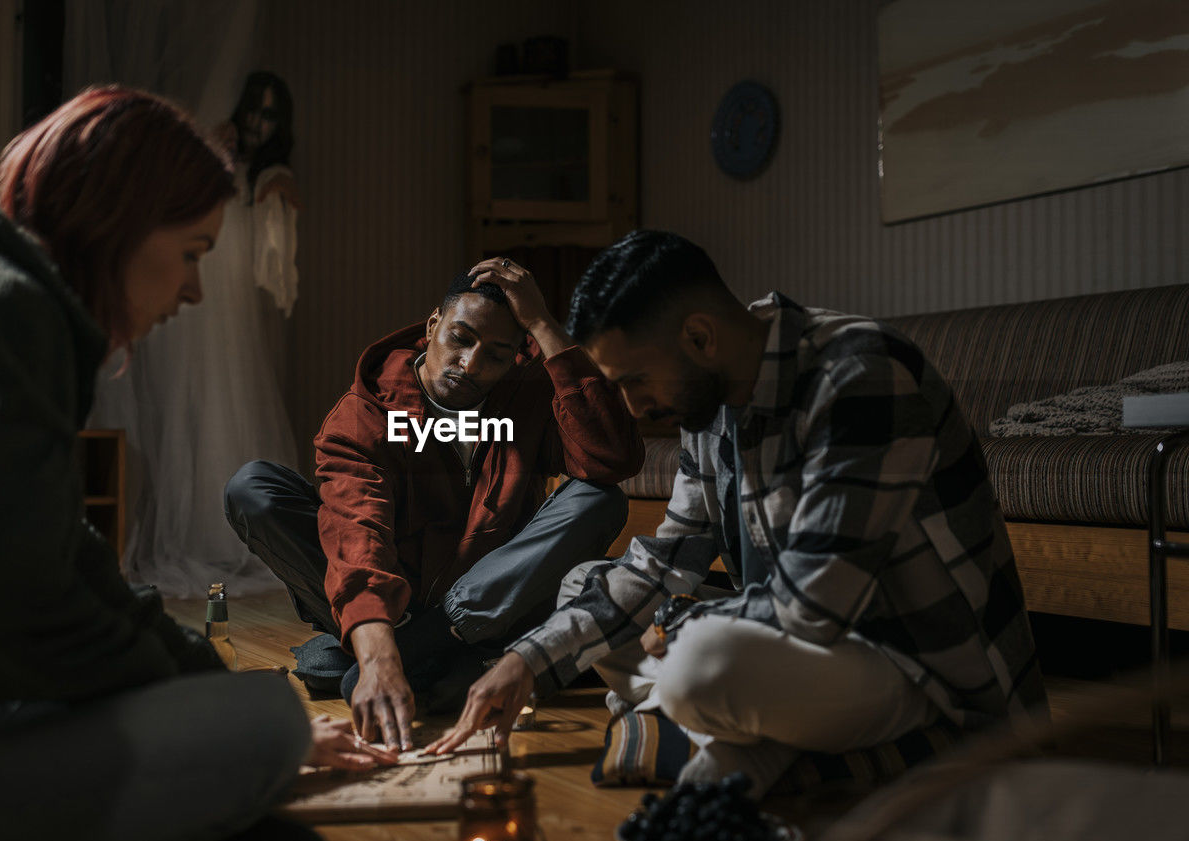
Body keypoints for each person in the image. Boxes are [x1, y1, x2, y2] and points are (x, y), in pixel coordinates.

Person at [0, 86, 392, 841]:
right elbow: (18, 609)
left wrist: (204, 688)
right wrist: (226, 716)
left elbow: (70, 565)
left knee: (264, 783)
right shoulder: (2, 310)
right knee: (267, 724)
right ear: (118, 221)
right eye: (193, 253)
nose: (196, 290)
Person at [428, 230, 1046, 796]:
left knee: (697, 664)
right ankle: (749, 746)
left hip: (920, 674)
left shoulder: (860, 376)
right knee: (583, 590)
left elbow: (813, 606)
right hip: (802, 658)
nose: (633, 407)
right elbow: (670, 554)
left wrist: (676, 628)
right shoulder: (712, 396)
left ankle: (736, 740)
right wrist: (525, 660)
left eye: (636, 380)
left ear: (699, 337)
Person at [225, 257, 645, 751]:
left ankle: (412, 654)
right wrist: (380, 649)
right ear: (432, 326)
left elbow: (612, 459)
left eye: (496, 353)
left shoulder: (526, 395)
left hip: (490, 602)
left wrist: (545, 326)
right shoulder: (367, 414)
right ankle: (429, 659)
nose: (470, 364)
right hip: (394, 601)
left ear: (518, 355)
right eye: (461, 339)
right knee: (252, 487)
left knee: (599, 498)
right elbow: (358, 531)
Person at [91, 71, 300, 599]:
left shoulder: (273, 176)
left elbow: (276, 271)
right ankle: (192, 528)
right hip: (198, 314)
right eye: (253, 109)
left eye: (270, 115)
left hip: (232, 313)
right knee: (181, 408)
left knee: (226, 405)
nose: (257, 122)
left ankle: (234, 532)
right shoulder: (211, 163)